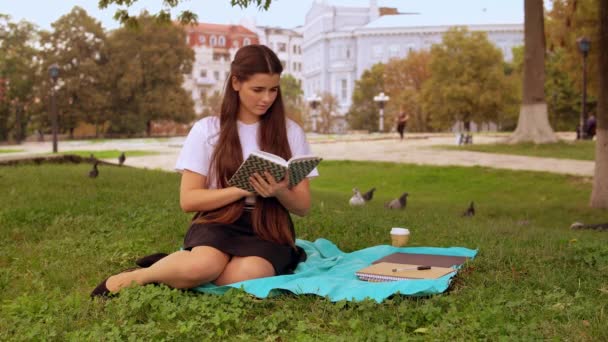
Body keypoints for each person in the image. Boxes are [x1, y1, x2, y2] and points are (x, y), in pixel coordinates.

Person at [91, 45, 318, 297]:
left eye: (273, 90)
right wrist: (240, 189)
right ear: (235, 83)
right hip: (219, 219)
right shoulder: (208, 130)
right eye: (258, 89)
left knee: (244, 275)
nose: (267, 98)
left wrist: (279, 191)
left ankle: (178, 269)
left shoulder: (291, 132)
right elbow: (189, 200)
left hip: (268, 225)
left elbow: (303, 207)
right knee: (204, 265)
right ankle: (140, 276)